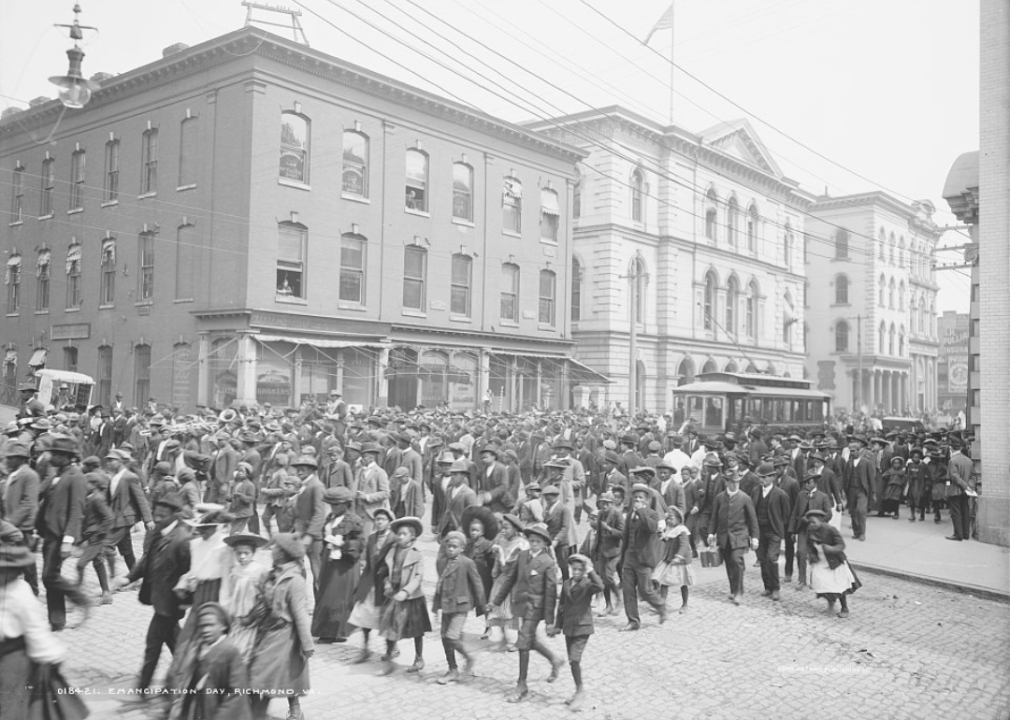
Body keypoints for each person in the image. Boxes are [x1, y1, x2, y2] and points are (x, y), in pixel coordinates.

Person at [112, 492, 192, 695]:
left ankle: (142, 689)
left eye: (161, 516)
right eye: (155, 515)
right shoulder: (160, 532)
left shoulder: (182, 540)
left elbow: (189, 573)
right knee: (176, 645)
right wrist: (128, 578)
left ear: (175, 515)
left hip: (170, 604)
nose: (156, 519)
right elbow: (147, 561)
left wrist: (184, 603)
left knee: (153, 644)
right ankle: (189, 678)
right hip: (159, 600)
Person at [0, 542, 84, 720]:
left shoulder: (18, 592)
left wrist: (49, 654)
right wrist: (53, 655)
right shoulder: (19, 592)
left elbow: (35, 630)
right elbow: (35, 630)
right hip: (12, 659)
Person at [488, 522, 564, 703]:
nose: (534, 544)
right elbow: (509, 580)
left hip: (536, 608)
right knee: (530, 639)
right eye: (531, 540)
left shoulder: (548, 563)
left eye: (538, 541)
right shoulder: (522, 556)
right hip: (520, 604)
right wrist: (496, 602)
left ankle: (521, 685)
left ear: (545, 543)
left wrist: (549, 621)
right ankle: (554, 659)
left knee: (523, 641)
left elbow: (551, 594)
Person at [247, 533, 314, 720]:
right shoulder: (272, 574)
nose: (272, 550)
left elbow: (300, 614)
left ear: (284, 553)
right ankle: (294, 711)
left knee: (267, 672)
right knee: (283, 673)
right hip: (268, 629)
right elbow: (262, 598)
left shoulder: (295, 581)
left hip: (285, 634)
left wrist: (307, 644)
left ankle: (262, 712)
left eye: (275, 547)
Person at [36, 435, 89, 631]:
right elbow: (46, 504)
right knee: (50, 576)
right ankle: (57, 621)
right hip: (48, 533)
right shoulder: (55, 475)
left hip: (60, 536)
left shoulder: (76, 477)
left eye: (58, 454)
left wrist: (68, 540)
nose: (53, 457)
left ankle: (81, 598)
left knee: (49, 576)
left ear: (68, 457)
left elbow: (77, 511)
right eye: (54, 453)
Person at [166, 602, 252, 720]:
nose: (206, 630)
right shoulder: (196, 649)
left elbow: (236, 693)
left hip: (215, 711)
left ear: (223, 626)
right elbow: (184, 677)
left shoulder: (230, 652)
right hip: (195, 707)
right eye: (202, 626)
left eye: (211, 625)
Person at [548, 553, 603, 711]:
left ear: (584, 570)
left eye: (580, 570)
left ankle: (580, 691)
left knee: (574, 659)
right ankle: (577, 690)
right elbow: (562, 607)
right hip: (569, 628)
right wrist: (557, 626)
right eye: (574, 569)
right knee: (573, 662)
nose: (577, 572)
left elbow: (600, 586)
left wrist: (591, 570)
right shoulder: (566, 584)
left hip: (583, 627)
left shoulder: (587, 584)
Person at [432, 530, 485, 685]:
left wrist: (484, 606)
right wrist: (436, 606)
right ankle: (452, 669)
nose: (450, 549)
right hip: (446, 605)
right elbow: (440, 585)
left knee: (452, 636)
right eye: (448, 546)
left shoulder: (467, 563)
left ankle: (468, 658)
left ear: (462, 548)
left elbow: (477, 584)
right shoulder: (442, 562)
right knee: (444, 638)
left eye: (455, 546)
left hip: (461, 606)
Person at [378, 516, 430, 675]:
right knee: (388, 623)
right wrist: (386, 582)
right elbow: (384, 570)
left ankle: (419, 658)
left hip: (411, 597)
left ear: (412, 536)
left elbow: (417, 577)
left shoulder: (417, 554)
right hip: (393, 593)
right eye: (399, 534)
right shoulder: (392, 550)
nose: (400, 537)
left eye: (404, 534)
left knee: (416, 629)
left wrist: (406, 591)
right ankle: (390, 651)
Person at [312, 486, 364, 643]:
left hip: (344, 564)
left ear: (346, 504)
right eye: (331, 505)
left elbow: (361, 543)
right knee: (325, 592)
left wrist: (344, 545)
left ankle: (334, 631)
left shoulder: (354, 520)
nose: (333, 508)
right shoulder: (330, 518)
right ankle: (331, 630)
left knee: (337, 597)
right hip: (330, 561)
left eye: (336, 505)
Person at [348, 507, 395, 663]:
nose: (379, 522)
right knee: (365, 616)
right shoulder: (372, 538)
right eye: (377, 519)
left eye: (383, 519)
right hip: (370, 582)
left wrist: (389, 578)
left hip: (385, 583)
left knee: (386, 617)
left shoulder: (394, 539)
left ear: (389, 522)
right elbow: (366, 560)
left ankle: (390, 649)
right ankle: (366, 648)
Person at [707, 468, 759, 606]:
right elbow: (714, 517)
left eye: (737, 482)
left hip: (740, 535)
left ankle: (739, 592)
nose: (735, 484)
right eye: (732, 482)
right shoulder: (719, 498)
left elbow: (753, 519)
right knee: (729, 563)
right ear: (726, 482)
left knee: (737, 561)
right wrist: (711, 533)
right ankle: (733, 589)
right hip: (724, 536)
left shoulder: (745, 498)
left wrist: (755, 537)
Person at [619, 484, 667, 631]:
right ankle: (633, 621)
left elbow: (652, 528)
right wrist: (623, 557)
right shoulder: (629, 516)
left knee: (645, 590)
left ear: (646, 500)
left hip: (644, 559)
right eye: (635, 498)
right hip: (629, 557)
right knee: (628, 590)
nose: (637, 500)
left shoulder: (652, 514)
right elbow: (626, 536)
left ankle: (660, 606)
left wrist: (641, 511)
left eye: (641, 498)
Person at [105, 447, 154, 581]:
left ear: (120, 461)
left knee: (107, 546)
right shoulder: (113, 477)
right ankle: (136, 577)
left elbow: (140, 499)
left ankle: (113, 577)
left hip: (126, 518)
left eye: (111, 461)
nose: (108, 464)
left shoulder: (130, 477)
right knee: (126, 550)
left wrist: (148, 520)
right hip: (116, 518)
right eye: (107, 461)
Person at [220, 532, 270, 662]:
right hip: (237, 618)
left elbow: (265, 594)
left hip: (253, 617)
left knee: (247, 650)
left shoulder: (260, 571)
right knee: (234, 648)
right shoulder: (234, 572)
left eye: (246, 553)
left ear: (253, 553)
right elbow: (232, 594)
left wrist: (256, 613)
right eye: (238, 553)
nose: (242, 557)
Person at [804, 510, 861, 618]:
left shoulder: (830, 530)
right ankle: (830, 603)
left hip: (834, 562)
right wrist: (812, 555)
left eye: (813, 522)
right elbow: (809, 545)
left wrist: (831, 548)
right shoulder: (810, 530)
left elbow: (841, 545)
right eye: (809, 522)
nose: (811, 525)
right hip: (820, 560)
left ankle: (844, 607)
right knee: (823, 583)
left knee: (839, 585)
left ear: (821, 520)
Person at [2, 441, 40, 593]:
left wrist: (11, 522)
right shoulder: (12, 475)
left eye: (11, 458)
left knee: (27, 564)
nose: (8, 460)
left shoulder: (30, 475)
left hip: (22, 527)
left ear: (20, 459)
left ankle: (33, 592)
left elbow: (28, 503)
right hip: (11, 525)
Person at [487, 513, 528, 651]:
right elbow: (497, 564)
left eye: (506, 528)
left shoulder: (522, 544)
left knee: (511, 612)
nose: (503, 531)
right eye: (502, 528)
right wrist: (495, 572)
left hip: (515, 582)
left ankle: (514, 640)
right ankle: (505, 638)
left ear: (515, 528)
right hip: (501, 580)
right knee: (499, 611)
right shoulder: (501, 540)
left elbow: (516, 566)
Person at [751, 461, 791, 601]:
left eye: (765, 477)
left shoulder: (781, 494)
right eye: (760, 477)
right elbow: (751, 512)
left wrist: (782, 531)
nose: (762, 480)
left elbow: (786, 516)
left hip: (774, 531)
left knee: (771, 559)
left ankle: (775, 588)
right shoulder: (755, 491)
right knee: (762, 559)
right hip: (759, 532)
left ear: (773, 477)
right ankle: (767, 587)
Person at [789, 474, 834, 589]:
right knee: (801, 553)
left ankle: (814, 581)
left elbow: (828, 514)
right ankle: (802, 580)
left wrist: (817, 522)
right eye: (805, 483)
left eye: (808, 483)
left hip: (817, 532)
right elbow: (795, 513)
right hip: (803, 530)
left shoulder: (823, 496)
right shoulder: (801, 495)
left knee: (814, 556)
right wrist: (793, 531)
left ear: (815, 483)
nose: (806, 485)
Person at [76, 468, 113, 604]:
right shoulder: (91, 498)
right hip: (91, 537)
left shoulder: (97, 499)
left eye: (85, 484)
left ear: (93, 485)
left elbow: (109, 518)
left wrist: (99, 532)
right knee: (98, 563)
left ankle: (77, 595)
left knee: (80, 565)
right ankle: (106, 594)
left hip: (95, 538)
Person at [584, 491, 623, 616]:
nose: (604, 506)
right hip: (601, 550)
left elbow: (622, 533)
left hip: (614, 551)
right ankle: (608, 605)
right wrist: (595, 549)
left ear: (612, 504)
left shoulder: (618, 515)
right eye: (602, 503)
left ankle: (619, 599)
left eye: (607, 503)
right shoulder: (600, 513)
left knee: (608, 577)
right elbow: (599, 533)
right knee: (601, 579)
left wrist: (609, 529)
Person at [291, 455, 327, 593]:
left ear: (312, 470)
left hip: (313, 538)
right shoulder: (304, 485)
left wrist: (310, 535)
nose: (299, 471)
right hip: (300, 533)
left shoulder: (316, 486)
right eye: (298, 468)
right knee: (296, 567)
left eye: (303, 469)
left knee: (317, 573)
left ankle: (320, 607)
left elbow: (319, 514)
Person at [461, 506, 497, 641]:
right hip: (469, 579)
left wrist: (493, 577)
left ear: (482, 532)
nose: (473, 533)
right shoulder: (468, 545)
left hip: (483, 579)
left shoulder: (487, 544)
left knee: (484, 603)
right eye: (471, 530)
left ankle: (489, 627)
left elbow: (492, 562)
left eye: (476, 530)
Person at [651, 506, 694, 613]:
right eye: (668, 518)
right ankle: (662, 604)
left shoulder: (682, 530)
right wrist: (660, 534)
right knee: (664, 582)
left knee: (683, 583)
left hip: (680, 561)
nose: (669, 521)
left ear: (678, 519)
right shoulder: (671, 530)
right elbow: (667, 539)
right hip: (669, 559)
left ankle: (685, 604)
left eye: (671, 518)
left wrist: (679, 557)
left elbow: (684, 545)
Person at [946, 440, 975, 541]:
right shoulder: (969, 460)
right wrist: (969, 486)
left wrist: (948, 489)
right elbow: (973, 476)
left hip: (955, 490)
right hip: (966, 491)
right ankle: (966, 534)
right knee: (965, 511)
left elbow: (952, 477)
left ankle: (958, 534)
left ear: (951, 449)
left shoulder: (952, 461)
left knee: (956, 512)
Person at [881, 456, 906, 520]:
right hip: (890, 486)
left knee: (896, 500)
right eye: (895, 463)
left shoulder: (902, 472)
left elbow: (904, 480)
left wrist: (902, 485)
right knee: (887, 498)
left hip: (897, 487)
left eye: (898, 463)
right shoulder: (890, 471)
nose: (896, 465)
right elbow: (885, 476)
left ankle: (896, 513)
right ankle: (884, 510)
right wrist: (885, 476)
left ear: (900, 464)